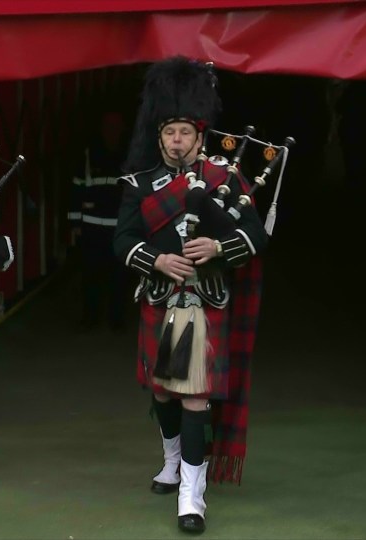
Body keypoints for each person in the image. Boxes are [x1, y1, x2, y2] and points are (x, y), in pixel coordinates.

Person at [113, 57, 268, 534]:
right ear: (158, 138)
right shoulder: (138, 186)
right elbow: (122, 242)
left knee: (194, 397)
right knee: (162, 391)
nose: (177, 141)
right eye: (169, 133)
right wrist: (156, 260)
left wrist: (219, 246)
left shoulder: (227, 180)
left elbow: (257, 237)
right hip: (160, 298)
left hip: (204, 301)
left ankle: (192, 495)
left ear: (200, 136)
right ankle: (173, 459)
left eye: (185, 132)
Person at [69, 107, 130, 332]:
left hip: (119, 227)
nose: (111, 131)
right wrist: (75, 224)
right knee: (90, 275)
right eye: (108, 126)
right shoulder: (88, 153)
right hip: (91, 227)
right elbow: (76, 188)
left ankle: (116, 318)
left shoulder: (130, 156)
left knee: (119, 277)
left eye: (115, 126)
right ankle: (90, 316)